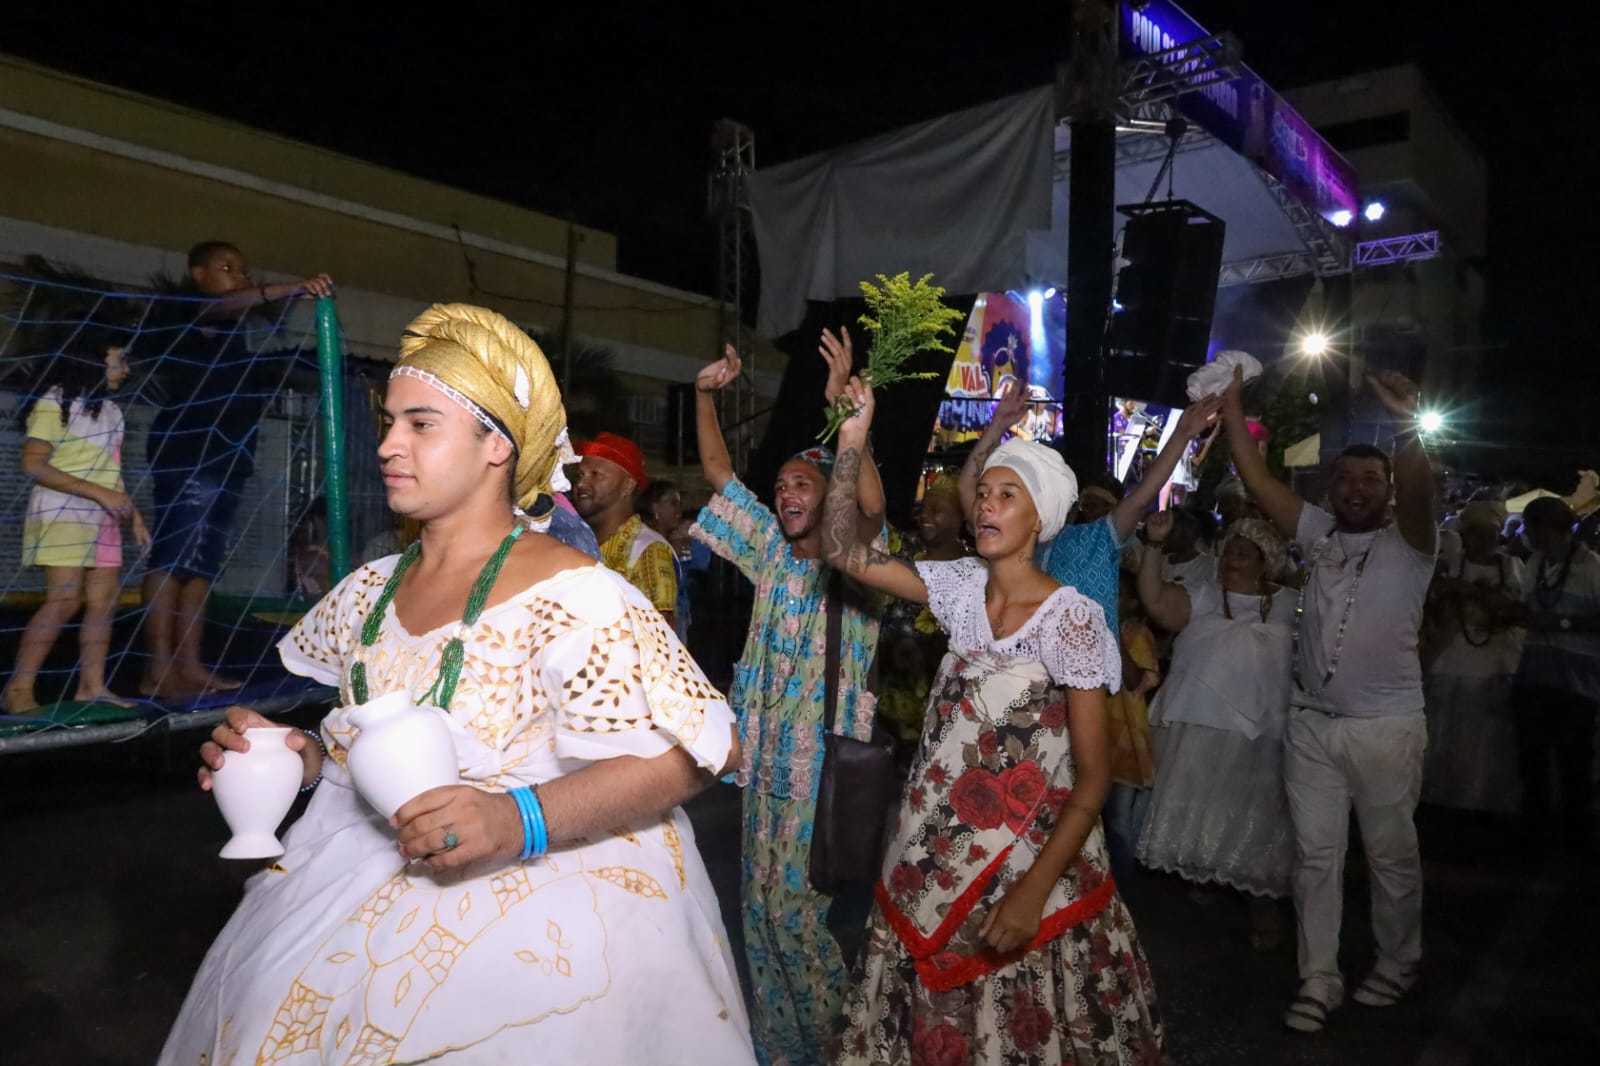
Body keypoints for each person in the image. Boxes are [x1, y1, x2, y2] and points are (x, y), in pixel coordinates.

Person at [164, 304, 753, 1065]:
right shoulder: (369, 589)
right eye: (388, 423)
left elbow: (706, 750)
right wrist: (304, 755)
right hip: (351, 882)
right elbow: (379, 738)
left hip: (548, 904)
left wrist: (521, 819)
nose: (386, 446)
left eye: (420, 425)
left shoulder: (575, 590)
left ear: (496, 446)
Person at [822, 377, 1164, 1065]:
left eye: (1007, 495)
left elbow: (1094, 779)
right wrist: (853, 439)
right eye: (983, 493)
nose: (985, 504)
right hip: (931, 846)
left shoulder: (1072, 619)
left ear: (1040, 519)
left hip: (1025, 859)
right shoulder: (957, 590)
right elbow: (843, 549)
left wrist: (1034, 894)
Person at [1221, 366, 1437, 1033]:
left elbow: (1424, 488)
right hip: (1312, 724)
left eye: (1371, 480)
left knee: (1389, 855)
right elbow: (1257, 480)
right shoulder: (1316, 535)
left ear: (1390, 490)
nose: (1356, 489)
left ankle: (1398, 962)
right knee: (1315, 859)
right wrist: (1230, 404)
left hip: (1387, 728)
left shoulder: (1413, 544)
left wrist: (1409, 418)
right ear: (1329, 488)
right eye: (1345, 478)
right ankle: (1319, 979)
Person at [689, 336, 885, 1066]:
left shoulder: (861, 558)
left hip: (822, 772)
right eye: (781, 488)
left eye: (802, 484)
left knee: (800, 920)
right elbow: (718, 474)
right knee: (760, 915)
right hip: (765, 768)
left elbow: (868, 504)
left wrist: (849, 425)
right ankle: (782, 1051)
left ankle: (842, 1049)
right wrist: (707, 394)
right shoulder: (770, 551)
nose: (787, 495)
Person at [141, 240, 335, 697]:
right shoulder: (186, 310)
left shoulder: (235, 333)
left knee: (203, 565)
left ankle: (189, 666)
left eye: (243, 271)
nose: (239, 278)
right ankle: (157, 669)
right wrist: (289, 289)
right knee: (173, 559)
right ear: (198, 273)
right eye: (227, 268)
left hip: (228, 455)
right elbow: (227, 303)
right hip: (187, 451)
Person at [961, 381, 1222, 682]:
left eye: (1008, 495)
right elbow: (968, 490)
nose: (990, 504)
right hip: (1011, 687)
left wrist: (1182, 434)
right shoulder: (1007, 544)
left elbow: (1140, 498)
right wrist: (996, 427)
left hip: (1087, 688)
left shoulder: (1094, 540)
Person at [1135, 511, 1297, 950]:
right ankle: (1204, 880)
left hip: (1262, 729)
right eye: (1228, 553)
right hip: (1201, 722)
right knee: (1203, 804)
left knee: (1257, 810)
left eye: (1244, 554)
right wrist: (1153, 547)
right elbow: (1154, 600)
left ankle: (1262, 903)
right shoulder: (1204, 595)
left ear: (1266, 561)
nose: (1232, 561)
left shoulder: (1289, 604)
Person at [4, 322, 149, 713]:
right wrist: (98, 493)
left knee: (103, 601)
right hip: (61, 511)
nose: (126, 369)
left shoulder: (113, 412)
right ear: (92, 360)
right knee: (65, 600)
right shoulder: (56, 402)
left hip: (103, 517)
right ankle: (18, 689)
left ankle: (92, 686)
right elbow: (33, 464)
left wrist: (131, 512)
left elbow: (111, 471)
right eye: (119, 360)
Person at [1421, 501, 1525, 813]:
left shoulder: (1510, 567)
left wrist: (1473, 595)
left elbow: (1515, 609)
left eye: (1490, 534)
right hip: (1450, 655)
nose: (1485, 540)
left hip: (1492, 660)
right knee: (1445, 727)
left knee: (1481, 735)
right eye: (1478, 534)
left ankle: (1476, 799)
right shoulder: (1452, 563)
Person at [1509, 496, 1600, 848]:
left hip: (1577, 683)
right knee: (1532, 759)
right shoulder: (1534, 562)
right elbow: (1528, 608)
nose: (1527, 533)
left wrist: (1561, 622)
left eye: (1533, 525)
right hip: (1532, 676)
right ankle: (1536, 830)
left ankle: (1576, 833)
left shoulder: (1593, 566)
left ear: (1552, 527)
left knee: (1573, 760)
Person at [876, 472, 972, 759]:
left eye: (937, 509)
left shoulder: (975, 570)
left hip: (942, 713)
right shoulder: (904, 551)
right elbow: (871, 516)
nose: (925, 516)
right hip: (887, 708)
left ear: (960, 517)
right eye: (924, 508)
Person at [571, 431, 677, 623]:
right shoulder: (572, 542)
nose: (581, 483)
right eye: (580, 474)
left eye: (596, 475)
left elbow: (660, 637)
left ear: (627, 486)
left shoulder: (648, 550)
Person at [1101, 568, 1161, 879]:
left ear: (1134, 604)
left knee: (1119, 821)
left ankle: (1125, 890)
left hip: (1125, 745)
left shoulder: (1137, 635)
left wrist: (1111, 632)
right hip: (1096, 741)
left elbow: (1134, 680)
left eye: (1118, 594)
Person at [639, 479, 709, 644]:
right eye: (673, 503)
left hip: (677, 620)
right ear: (655, 507)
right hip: (655, 624)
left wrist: (694, 535)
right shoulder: (645, 542)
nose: (679, 510)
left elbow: (702, 562)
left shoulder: (678, 539)